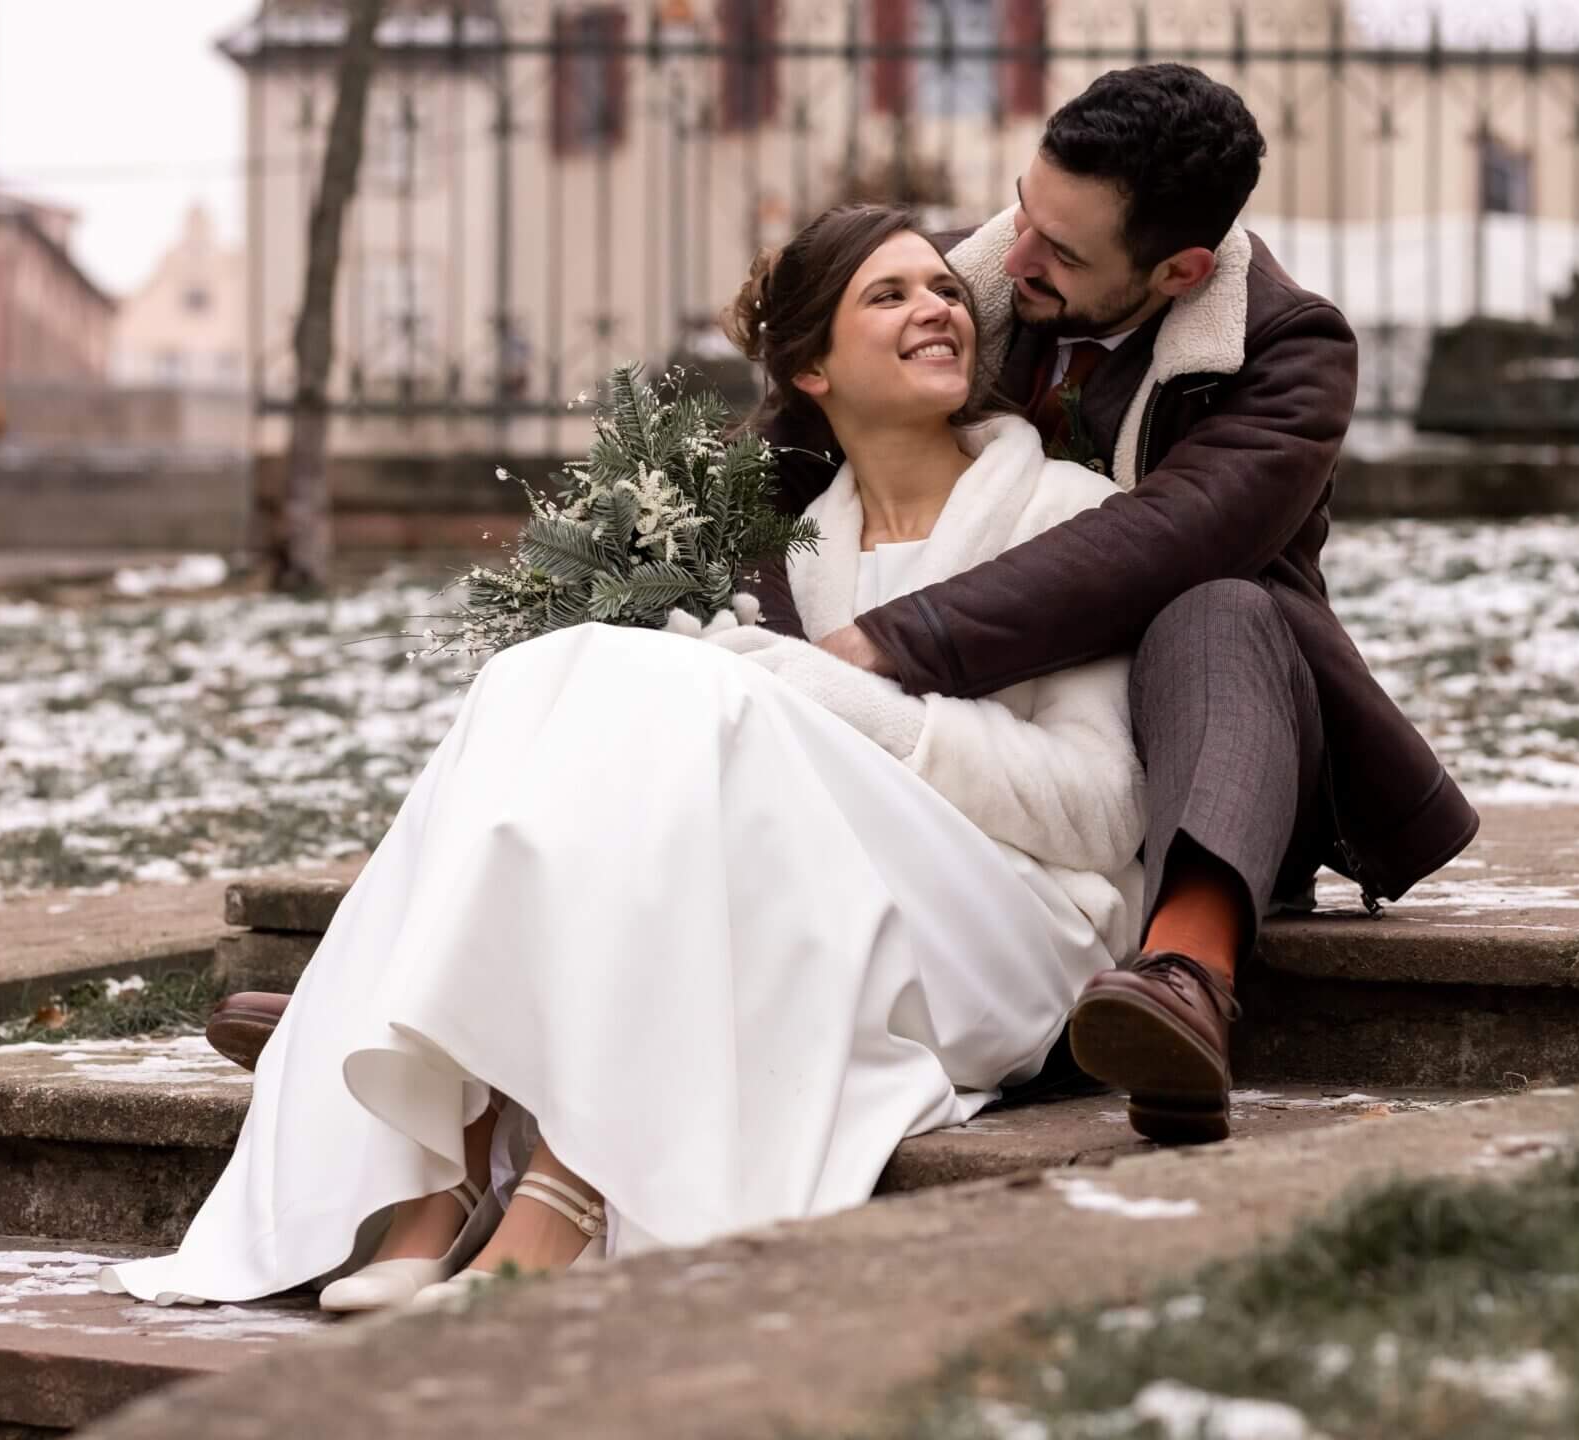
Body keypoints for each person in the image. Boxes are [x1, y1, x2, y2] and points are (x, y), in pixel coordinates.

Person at [204, 62, 1479, 1145]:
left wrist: (876, 651)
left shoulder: (1287, 348)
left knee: (1217, 599)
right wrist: (730, 652)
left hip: (1215, 739)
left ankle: (1185, 982)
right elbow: (797, 462)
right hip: (967, 742)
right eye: (1021, 208)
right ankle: (395, 986)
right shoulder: (972, 287)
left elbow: (1175, 533)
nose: (1011, 256)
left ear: (1179, 270)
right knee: (616, 684)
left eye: (1061, 248)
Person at [103, 204, 1145, 1312]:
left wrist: (817, 693)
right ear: (809, 368)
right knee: (547, 672)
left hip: (1012, 926)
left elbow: (1100, 811)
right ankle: (452, 1163)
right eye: (887, 296)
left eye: (941, 288)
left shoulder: (1064, 512)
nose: (936, 308)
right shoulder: (777, 545)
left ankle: (559, 1192)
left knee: (703, 696)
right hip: (817, 883)